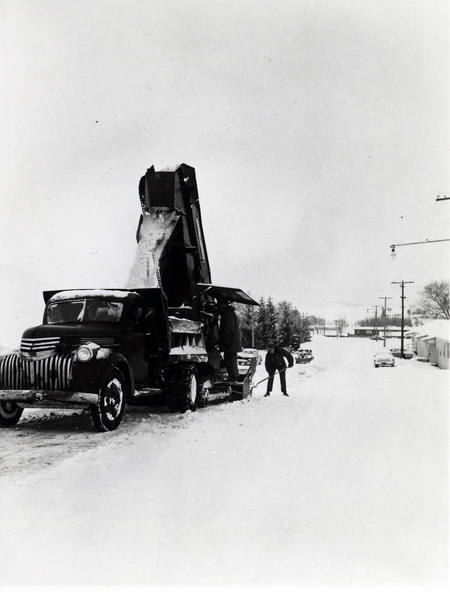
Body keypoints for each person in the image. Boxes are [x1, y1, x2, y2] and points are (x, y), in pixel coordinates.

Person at [217, 300, 242, 380]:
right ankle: (233, 376)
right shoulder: (228, 314)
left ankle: (234, 377)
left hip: (231, 344)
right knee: (230, 360)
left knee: (231, 361)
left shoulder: (228, 315)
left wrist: (226, 341)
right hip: (231, 343)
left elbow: (229, 329)